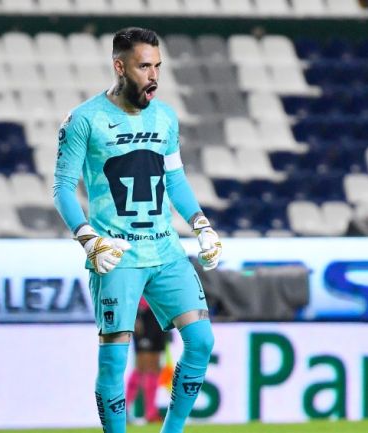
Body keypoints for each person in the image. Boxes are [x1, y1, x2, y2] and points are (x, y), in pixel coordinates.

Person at [52, 27, 222, 433]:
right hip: (118, 255)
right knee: (113, 359)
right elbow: (61, 188)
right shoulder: (85, 120)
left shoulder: (165, 117)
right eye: (144, 66)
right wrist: (88, 238)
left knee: (201, 342)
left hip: (165, 251)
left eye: (157, 66)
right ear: (120, 67)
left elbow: (175, 179)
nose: (154, 75)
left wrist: (201, 225)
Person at [126, 298, 170, 423]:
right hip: (144, 315)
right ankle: (122, 411)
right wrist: (136, 317)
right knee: (142, 365)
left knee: (155, 366)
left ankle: (151, 412)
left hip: (160, 314)